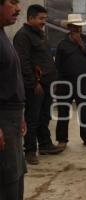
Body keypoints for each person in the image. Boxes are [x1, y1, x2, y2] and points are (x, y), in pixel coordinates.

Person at [13, 4, 63, 165]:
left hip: (47, 83)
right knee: (32, 117)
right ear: (30, 18)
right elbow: (23, 63)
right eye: (41, 19)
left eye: (45, 19)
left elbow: (46, 58)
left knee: (44, 116)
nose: (43, 22)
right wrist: (34, 83)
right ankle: (29, 151)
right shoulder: (23, 36)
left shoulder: (40, 35)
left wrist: (52, 80)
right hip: (36, 85)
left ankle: (45, 145)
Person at [55, 14, 86, 149]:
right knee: (63, 110)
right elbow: (58, 65)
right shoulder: (62, 43)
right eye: (74, 27)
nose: (77, 29)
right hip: (65, 82)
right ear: (70, 28)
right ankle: (62, 140)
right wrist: (56, 82)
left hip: (83, 81)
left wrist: (80, 43)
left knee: (85, 109)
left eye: (79, 27)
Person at [0, 0, 27, 199]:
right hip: (3, 119)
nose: (18, 8)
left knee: (17, 173)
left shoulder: (3, 34)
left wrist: (21, 114)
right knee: (7, 176)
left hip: (13, 117)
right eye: (12, 2)